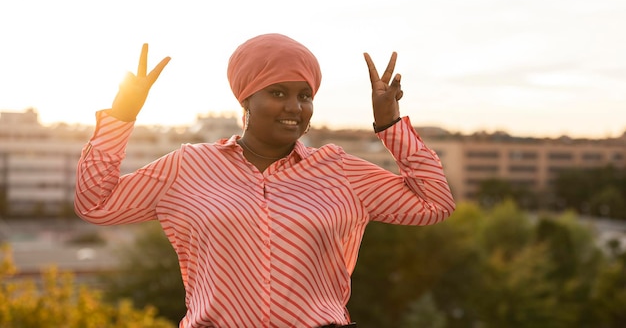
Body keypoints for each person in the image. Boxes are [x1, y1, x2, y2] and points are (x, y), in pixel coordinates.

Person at [74, 33, 455, 328]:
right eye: (278, 93)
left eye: (305, 95)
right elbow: (96, 203)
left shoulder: (340, 171)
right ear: (245, 100)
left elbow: (434, 205)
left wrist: (390, 126)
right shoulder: (187, 167)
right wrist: (122, 114)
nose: (295, 107)